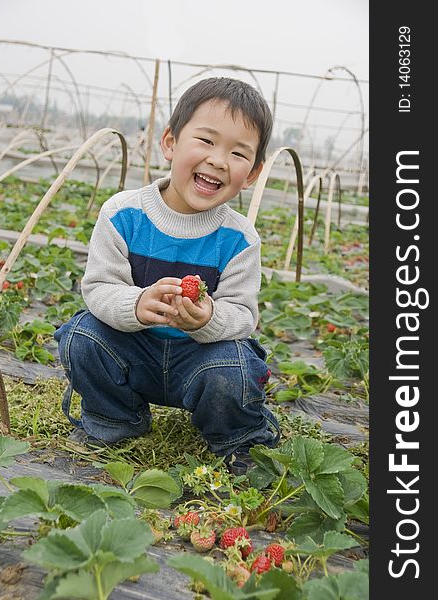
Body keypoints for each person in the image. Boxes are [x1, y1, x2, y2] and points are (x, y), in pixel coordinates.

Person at [54, 77, 280, 475]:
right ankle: (115, 419)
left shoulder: (240, 238)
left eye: (237, 152)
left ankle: (238, 438)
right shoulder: (123, 214)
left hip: (201, 358)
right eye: (206, 141)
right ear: (170, 143)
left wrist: (209, 318)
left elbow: (243, 314)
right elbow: (99, 287)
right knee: (83, 338)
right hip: (133, 349)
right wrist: (137, 304)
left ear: (252, 174)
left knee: (236, 369)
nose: (218, 160)